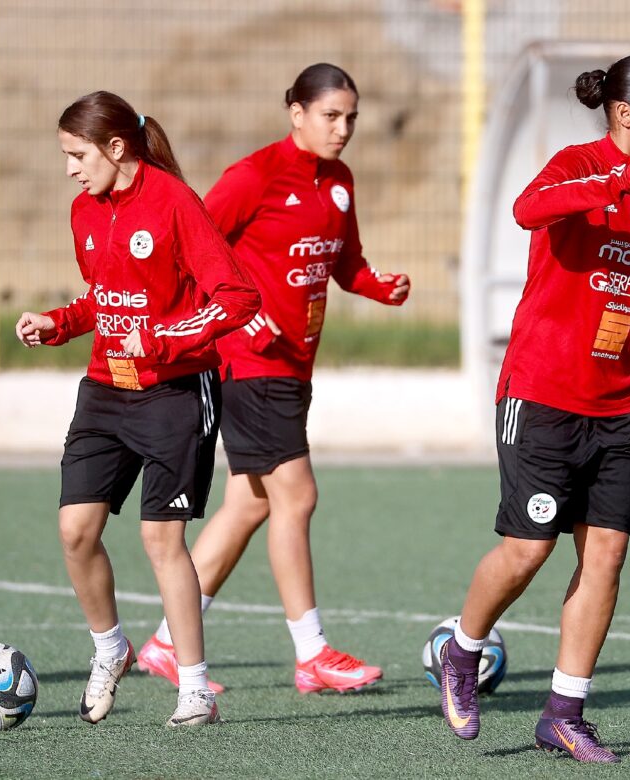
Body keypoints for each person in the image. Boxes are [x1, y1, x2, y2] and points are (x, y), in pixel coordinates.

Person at [436, 55, 630, 762]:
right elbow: (527, 210)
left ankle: (564, 712)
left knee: (605, 557)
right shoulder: (577, 165)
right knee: (527, 552)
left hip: (620, 403)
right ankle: (463, 651)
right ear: (624, 115)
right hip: (543, 393)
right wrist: (618, 178)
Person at [137, 63, 410, 694]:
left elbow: (346, 263)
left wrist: (378, 287)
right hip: (248, 363)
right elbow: (192, 253)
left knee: (248, 503)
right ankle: (312, 653)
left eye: (351, 118)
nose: (343, 129)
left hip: (293, 367)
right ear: (296, 112)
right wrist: (238, 323)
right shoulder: (254, 176)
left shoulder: (339, 181)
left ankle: (164, 646)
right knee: (297, 495)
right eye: (330, 116)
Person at [15, 91, 260, 727]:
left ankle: (195, 687)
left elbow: (236, 298)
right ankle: (110, 648)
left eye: (77, 153)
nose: (69, 167)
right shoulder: (83, 211)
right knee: (75, 530)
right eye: (64, 155)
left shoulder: (175, 202)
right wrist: (59, 324)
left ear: (116, 147)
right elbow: (104, 296)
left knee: (161, 539)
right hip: (104, 388)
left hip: (175, 394)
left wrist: (160, 338)